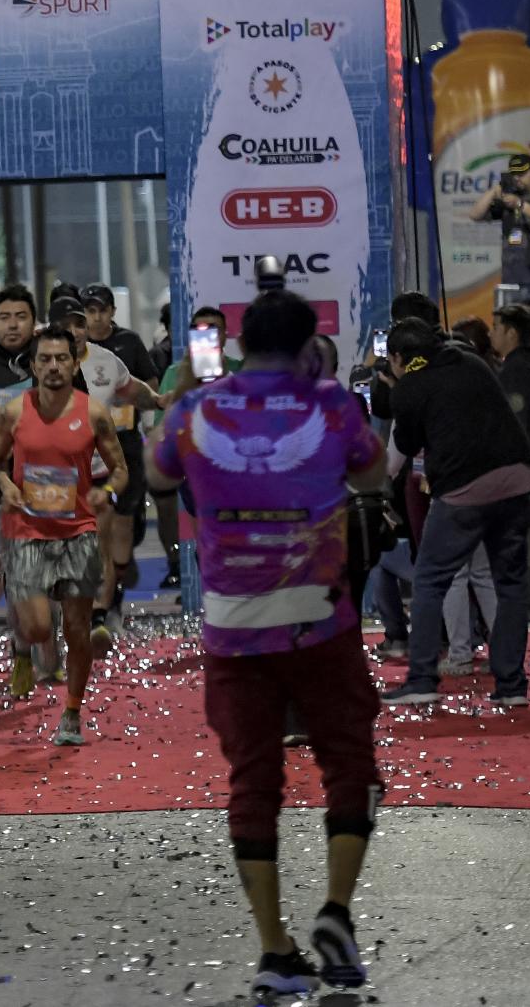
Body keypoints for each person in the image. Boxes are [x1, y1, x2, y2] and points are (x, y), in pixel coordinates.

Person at [146, 288, 387, 997]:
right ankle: (337, 912)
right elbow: (372, 473)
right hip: (320, 619)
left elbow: (160, 475)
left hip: (232, 626)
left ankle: (275, 949)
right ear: (310, 343)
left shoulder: (195, 409)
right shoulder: (333, 406)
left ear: (241, 341)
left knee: (254, 781)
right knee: (350, 763)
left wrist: (186, 394)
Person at [380, 318, 530, 707]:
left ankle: (421, 678)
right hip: (518, 481)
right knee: (510, 584)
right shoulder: (473, 362)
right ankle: (512, 686)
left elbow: (405, 447)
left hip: (463, 491)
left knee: (431, 579)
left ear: (398, 358)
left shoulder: (409, 387)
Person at [0, 324, 128, 747]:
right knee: (36, 628)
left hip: (77, 531)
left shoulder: (94, 413)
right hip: (26, 532)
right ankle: (31, 654)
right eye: (44, 360)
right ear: (32, 366)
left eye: (61, 359)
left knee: (78, 628)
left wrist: (105, 492)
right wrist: (6, 486)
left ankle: (71, 709)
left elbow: (120, 469)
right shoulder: (14, 412)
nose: (52, 367)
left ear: (74, 363)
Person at [49, 296, 160, 656]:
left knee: (101, 541)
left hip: (99, 474)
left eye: (79, 324)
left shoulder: (105, 361)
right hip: (50, 478)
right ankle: (54, 626)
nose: (75, 331)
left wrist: (158, 400)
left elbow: (132, 390)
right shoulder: (37, 362)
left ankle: (99, 617)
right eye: (66, 326)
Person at [154, 306, 241, 587]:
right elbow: (163, 427)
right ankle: (216, 602)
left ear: (226, 334)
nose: (208, 337)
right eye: (201, 331)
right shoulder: (174, 373)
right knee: (206, 542)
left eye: (214, 330)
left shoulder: (241, 370)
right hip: (195, 471)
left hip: (237, 470)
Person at [489, 305, 530, 624]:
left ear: (511, 333)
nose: (492, 334)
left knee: (526, 531)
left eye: (496, 327)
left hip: (523, 460)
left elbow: (514, 418)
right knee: (529, 530)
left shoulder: (517, 369)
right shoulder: (523, 365)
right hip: (528, 457)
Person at [469, 150, 530, 369]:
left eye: (522, 174)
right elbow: (475, 214)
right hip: (514, 276)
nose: (518, 179)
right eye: (514, 174)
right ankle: (515, 379)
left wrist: (522, 206)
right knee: (509, 337)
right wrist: (494, 192)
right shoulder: (507, 197)